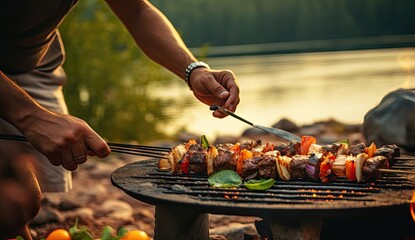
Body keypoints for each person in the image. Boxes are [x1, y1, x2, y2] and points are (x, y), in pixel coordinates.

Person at [0, 0, 240, 239]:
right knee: (11, 200)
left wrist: (194, 71)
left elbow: (136, 10)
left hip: (32, 58)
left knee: (21, 205)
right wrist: (32, 118)